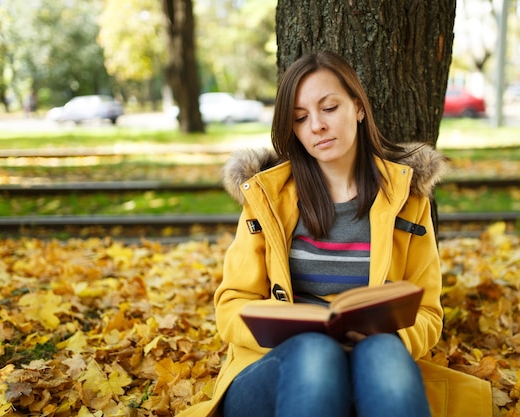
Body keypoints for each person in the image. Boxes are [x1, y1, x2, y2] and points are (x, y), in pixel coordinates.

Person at [177, 51, 492, 417]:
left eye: (329, 108)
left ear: (358, 107)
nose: (317, 126)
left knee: (386, 351)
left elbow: (427, 313)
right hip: (274, 371)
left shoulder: (406, 199)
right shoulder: (268, 197)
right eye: (300, 118)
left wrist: (394, 336)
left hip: (371, 365)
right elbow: (231, 306)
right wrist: (289, 330)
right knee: (315, 351)